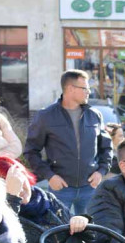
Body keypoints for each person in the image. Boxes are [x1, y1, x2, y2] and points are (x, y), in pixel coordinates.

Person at [23, 69, 112, 214]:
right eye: (85, 88)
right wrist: (50, 176)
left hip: (90, 187)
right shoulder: (46, 116)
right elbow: (31, 151)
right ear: (70, 89)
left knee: (90, 232)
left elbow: (106, 148)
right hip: (60, 189)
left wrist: (101, 172)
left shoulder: (94, 115)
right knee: (59, 231)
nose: (89, 92)